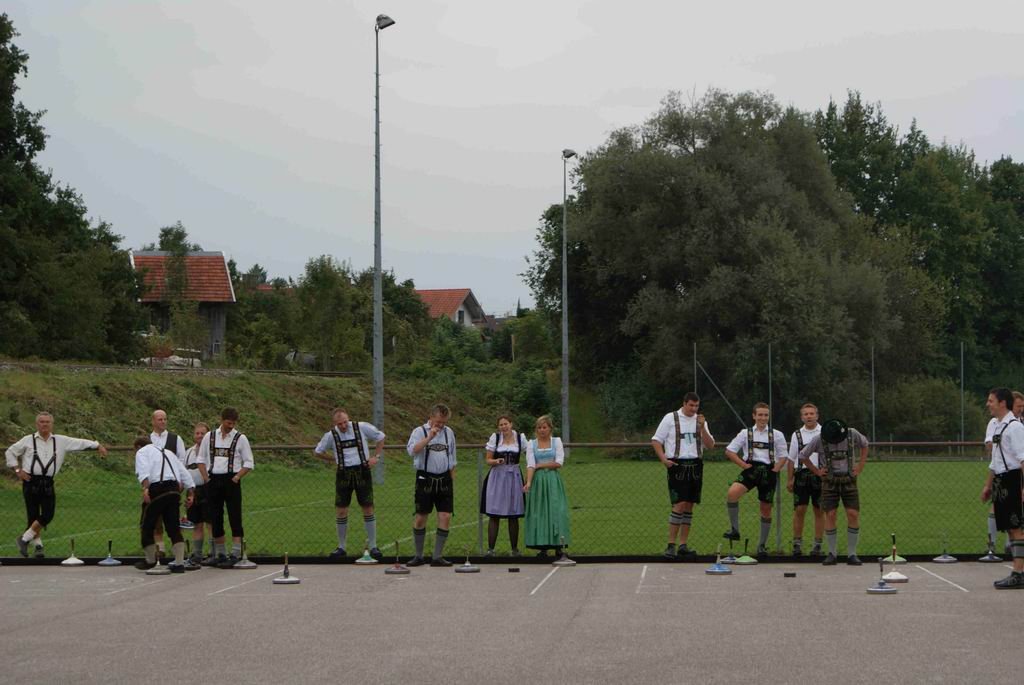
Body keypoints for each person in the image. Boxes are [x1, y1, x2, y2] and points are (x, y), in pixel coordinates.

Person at [7, 412, 107, 557]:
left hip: (47, 482)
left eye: (47, 422)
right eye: (42, 422)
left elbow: (80, 442)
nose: (45, 424)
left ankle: (23, 539)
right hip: (30, 481)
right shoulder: (27, 440)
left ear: (52, 424)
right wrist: (17, 470)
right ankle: (38, 546)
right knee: (33, 515)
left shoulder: (61, 441)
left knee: (48, 514)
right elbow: (10, 452)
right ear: (37, 424)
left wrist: (98, 445)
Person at [313, 408, 386, 560]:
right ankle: (341, 547)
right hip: (343, 474)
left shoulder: (362, 427)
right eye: (340, 424)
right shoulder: (330, 436)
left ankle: (373, 546)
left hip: (362, 472)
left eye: (345, 422)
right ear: (335, 424)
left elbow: (381, 437)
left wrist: (376, 457)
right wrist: (333, 459)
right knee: (341, 510)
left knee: (367, 507)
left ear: (349, 419)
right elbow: (317, 451)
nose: (344, 426)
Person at [651, 392, 715, 559]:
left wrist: (702, 428)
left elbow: (710, 445)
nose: (694, 409)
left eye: (696, 406)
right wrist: (664, 459)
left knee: (689, 506)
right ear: (684, 403)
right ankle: (671, 545)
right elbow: (656, 440)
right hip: (677, 464)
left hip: (696, 465)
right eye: (691, 405)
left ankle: (683, 545)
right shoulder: (670, 418)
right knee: (678, 504)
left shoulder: (700, 421)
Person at [798, 418, 868, 566]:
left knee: (853, 514)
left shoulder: (852, 434)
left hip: (849, 479)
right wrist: (817, 471)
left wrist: (860, 466)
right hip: (829, 482)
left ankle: (852, 554)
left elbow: (864, 444)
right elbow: (803, 456)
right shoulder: (818, 439)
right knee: (830, 514)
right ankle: (832, 553)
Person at [722, 403, 788, 559]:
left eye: (766, 415)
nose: (763, 418)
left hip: (769, 471)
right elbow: (729, 451)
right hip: (751, 470)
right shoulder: (745, 433)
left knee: (766, 509)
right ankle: (735, 530)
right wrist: (743, 465)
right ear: (754, 416)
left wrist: (776, 469)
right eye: (760, 415)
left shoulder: (776, 434)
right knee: (732, 493)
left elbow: (784, 455)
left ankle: (761, 545)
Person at [197, 407, 254, 568]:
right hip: (213, 479)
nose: (231, 426)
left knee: (235, 516)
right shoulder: (210, 436)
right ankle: (220, 553)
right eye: (228, 423)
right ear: (222, 420)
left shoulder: (240, 438)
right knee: (215, 517)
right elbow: (200, 458)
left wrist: (237, 477)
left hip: (232, 480)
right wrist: (206, 478)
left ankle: (235, 553)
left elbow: (249, 462)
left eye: (233, 423)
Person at [980, 387, 1024, 588]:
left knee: (1017, 529)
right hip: (1001, 481)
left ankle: (1018, 572)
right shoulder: (997, 426)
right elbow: (995, 460)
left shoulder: (1015, 428)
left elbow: (1023, 460)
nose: (988, 404)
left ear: (1002, 403)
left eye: (991, 401)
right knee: (1009, 528)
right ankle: (1018, 570)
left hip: (1013, 480)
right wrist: (988, 485)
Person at [134, 436, 197, 572]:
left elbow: (143, 471)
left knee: (146, 525)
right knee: (173, 527)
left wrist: (145, 489)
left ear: (138, 447)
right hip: (174, 490)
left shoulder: (142, 452)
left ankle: (150, 561)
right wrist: (191, 493)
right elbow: (184, 473)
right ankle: (179, 563)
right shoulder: (168, 452)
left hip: (157, 489)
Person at [405, 404, 457, 567]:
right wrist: (429, 437)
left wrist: (452, 476)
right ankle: (419, 556)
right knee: (421, 517)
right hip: (425, 478)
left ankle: (437, 556)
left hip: (444, 479)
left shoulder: (449, 433)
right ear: (431, 417)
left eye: (444, 422)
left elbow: (452, 456)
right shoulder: (419, 431)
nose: (441, 425)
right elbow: (412, 451)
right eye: (438, 422)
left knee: (445, 516)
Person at [524, 415, 571, 558]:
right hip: (538, 481)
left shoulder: (556, 441)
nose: (542, 430)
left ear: (550, 428)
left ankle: (558, 546)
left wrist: (541, 465)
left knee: (556, 510)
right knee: (539, 512)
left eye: (544, 427)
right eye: (539, 428)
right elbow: (531, 464)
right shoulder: (531, 444)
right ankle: (542, 547)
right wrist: (529, 482)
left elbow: (559, 463)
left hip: (552, 480)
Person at [480, 415, 528, 556]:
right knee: (494, 514)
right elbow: (488, 460)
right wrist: (496, 461)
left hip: (514, 476)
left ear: (511, 424)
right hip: (497, 477)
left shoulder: (520, 438)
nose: (503, 427)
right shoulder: (495, 438)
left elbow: (529, 455)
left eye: (505, 424)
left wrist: (530, 472)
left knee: (513, 514)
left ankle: (514, 550)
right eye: (501, 425)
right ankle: (491, 550)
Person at [147, 409, 191, 557]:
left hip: (172, 485)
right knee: (155, 519)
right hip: (154, 486)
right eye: (160, 419)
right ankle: (160, 551)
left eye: (165, 419)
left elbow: (181, 461)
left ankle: (179, 553)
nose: (163, 422)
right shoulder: (148, 440)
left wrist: (181, 482)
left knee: (173, 519)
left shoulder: (175, 439)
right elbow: (144, 464)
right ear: (153, 421)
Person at [788, 403, 824, 557]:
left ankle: (817, 545)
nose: (809, 416)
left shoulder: (824, 432)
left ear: (817, 415)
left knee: (819, 510)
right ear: (802, 417)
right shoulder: (796, 435)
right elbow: (791, 458)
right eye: (806, 414)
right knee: (799, 510)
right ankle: (797, 543)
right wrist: (789, 479)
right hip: (801, 475)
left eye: (811, 413)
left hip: (820, 475)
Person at [183, 422, 214, 564]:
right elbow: (185, 472)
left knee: (210, 522)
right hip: (193, 491)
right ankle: (197, 554)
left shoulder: (211, 452)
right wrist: (189, 493)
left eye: (203, 433)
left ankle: (214, 553)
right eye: (197, 433)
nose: (200, 436)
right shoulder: (189, 452)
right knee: (197, 523)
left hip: (208, 489)